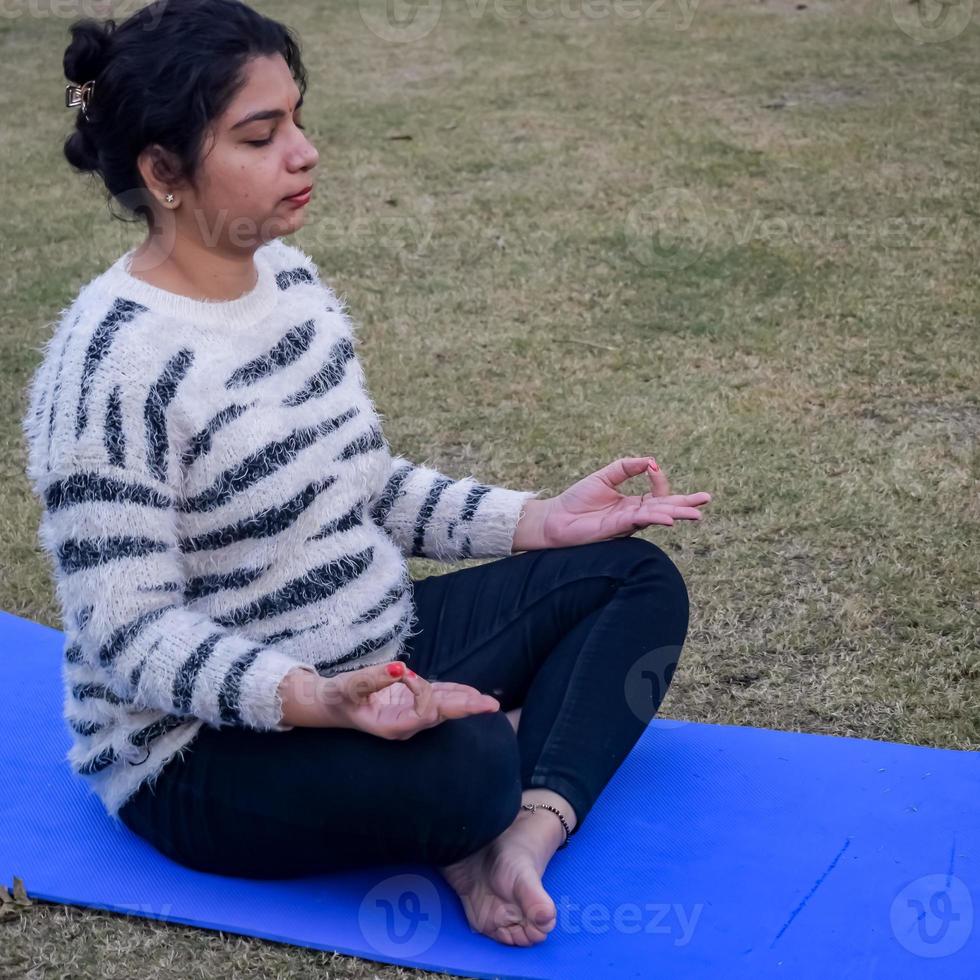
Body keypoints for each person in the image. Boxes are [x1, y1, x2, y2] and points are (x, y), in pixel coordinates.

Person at [26, 0, 712, 948]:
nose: (303, 152)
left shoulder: (293, 287)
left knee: (630, 579)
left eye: (298, 120)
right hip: (201, 752)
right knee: (466, 764)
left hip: (374, 654)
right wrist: (314, 698)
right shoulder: (113, 367)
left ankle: (523, 831)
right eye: (261, 136)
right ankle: (481, 790)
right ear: (163, 172)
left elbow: (363, 484)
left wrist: (539, 522)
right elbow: (127, 634)